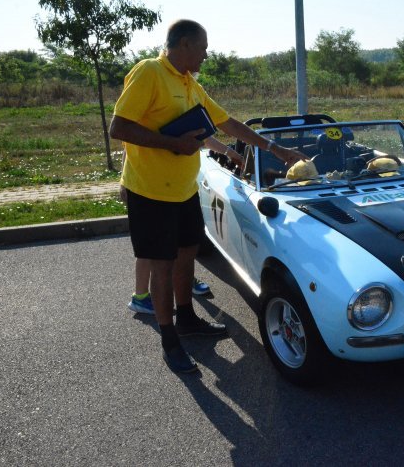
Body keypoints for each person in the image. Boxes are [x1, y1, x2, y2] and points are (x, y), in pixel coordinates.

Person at [109, 19, 304, 373]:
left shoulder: (188, 83)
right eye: (202, 47)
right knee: (162, 266)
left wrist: (275, 149)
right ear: (183, 45)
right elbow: (118, 127)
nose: (206, 54)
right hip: (150, 192)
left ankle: (187, 318)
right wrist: (174, 143)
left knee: (187, 255)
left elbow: (227, 123)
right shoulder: (150, 72)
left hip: (183, 190)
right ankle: (170, 340)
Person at [123, 138, 243, 314]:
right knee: (151, 246)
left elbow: (202, 137)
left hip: (176, 188)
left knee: (181, 242)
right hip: (150, 188)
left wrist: (229, 153)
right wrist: (123, 182)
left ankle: (183, 280)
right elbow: (130, 146)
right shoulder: (146, 114)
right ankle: (140, 297)